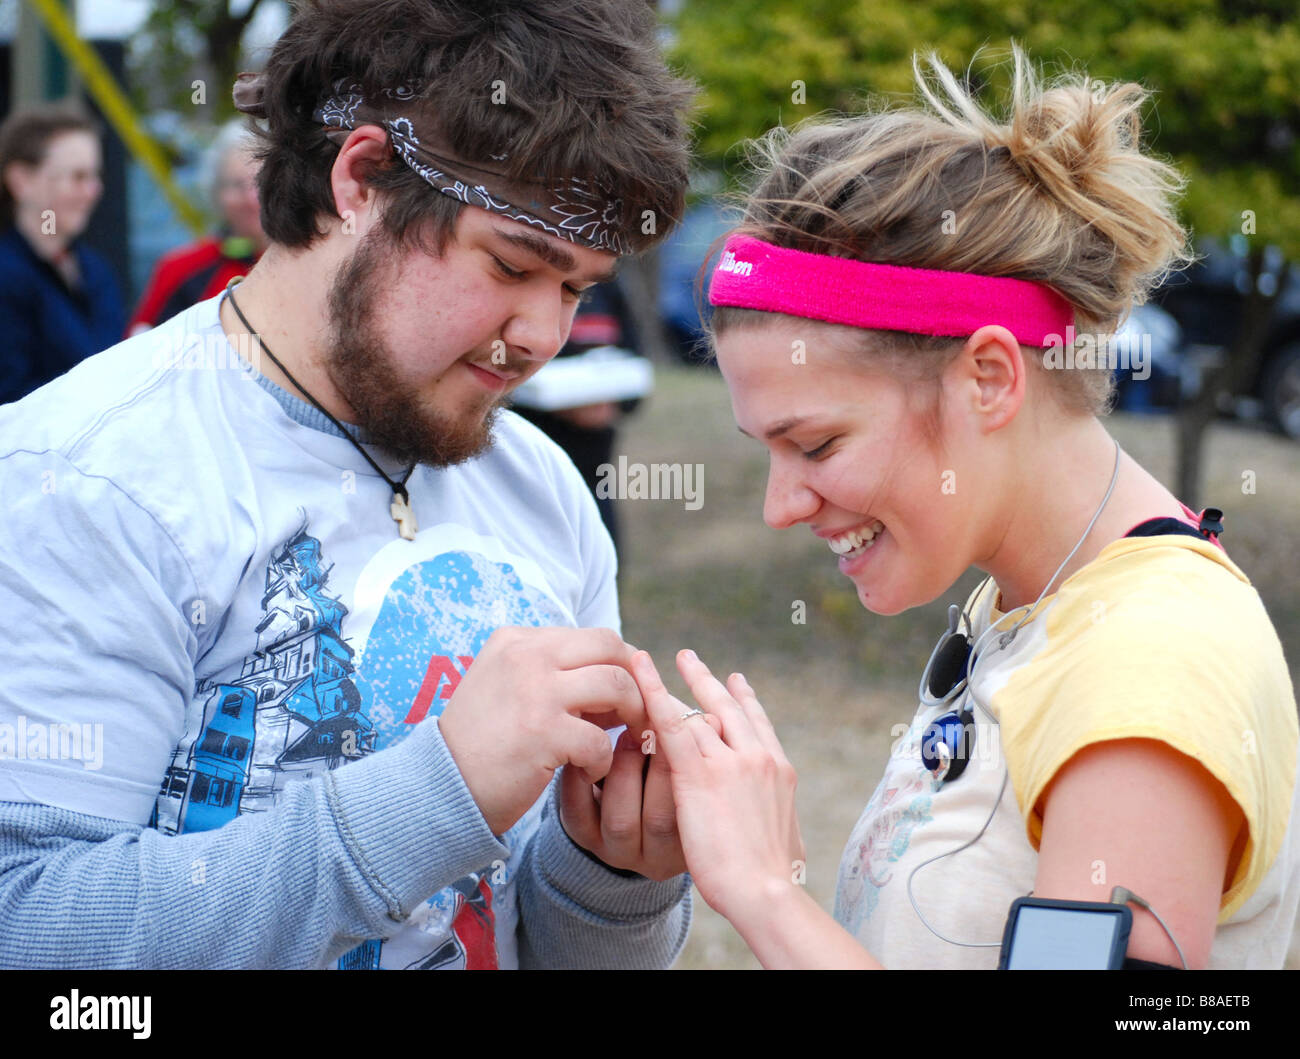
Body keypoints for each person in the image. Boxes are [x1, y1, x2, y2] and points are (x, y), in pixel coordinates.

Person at [0, 0, 694, 970]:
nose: (543, 334)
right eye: (513, 265)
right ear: (360, 178)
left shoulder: (543, 490)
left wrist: (613, 873)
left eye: (575, 288)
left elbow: (555, 948)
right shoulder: (82, 478)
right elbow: (28, 931)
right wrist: (431, 798)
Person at [630, 46, 1299, 969]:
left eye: (817, 444)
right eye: (768, 454)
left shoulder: (1150, 669)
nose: (781, 506)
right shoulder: (1033, 606)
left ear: (988, 377)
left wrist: (763, 893)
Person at [0, 102, 125, 404]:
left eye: (95, 176)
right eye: (77, 177)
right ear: (21, 181)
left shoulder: (94, 271)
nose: (93, 190)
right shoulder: (7, 276)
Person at [128, 120, 268, 334]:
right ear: (217, 193)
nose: (252, 199)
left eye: (262, 182)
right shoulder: (181, 270)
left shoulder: (309, 264)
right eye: (237, 185)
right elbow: (137, 350)